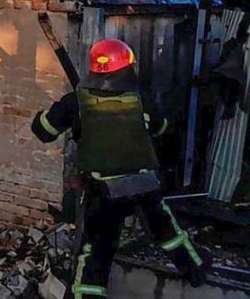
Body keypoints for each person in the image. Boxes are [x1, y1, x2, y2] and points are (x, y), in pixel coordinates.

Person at [32, 39, 207, 297]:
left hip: (103, 191)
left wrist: (43, 116)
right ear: (128, 68)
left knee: (96, 253)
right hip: (144, 184)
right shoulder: (140, 100)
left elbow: (44, 131)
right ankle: (195, 271)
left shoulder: (75, 102)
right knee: (168, 231)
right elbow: (161, 127)